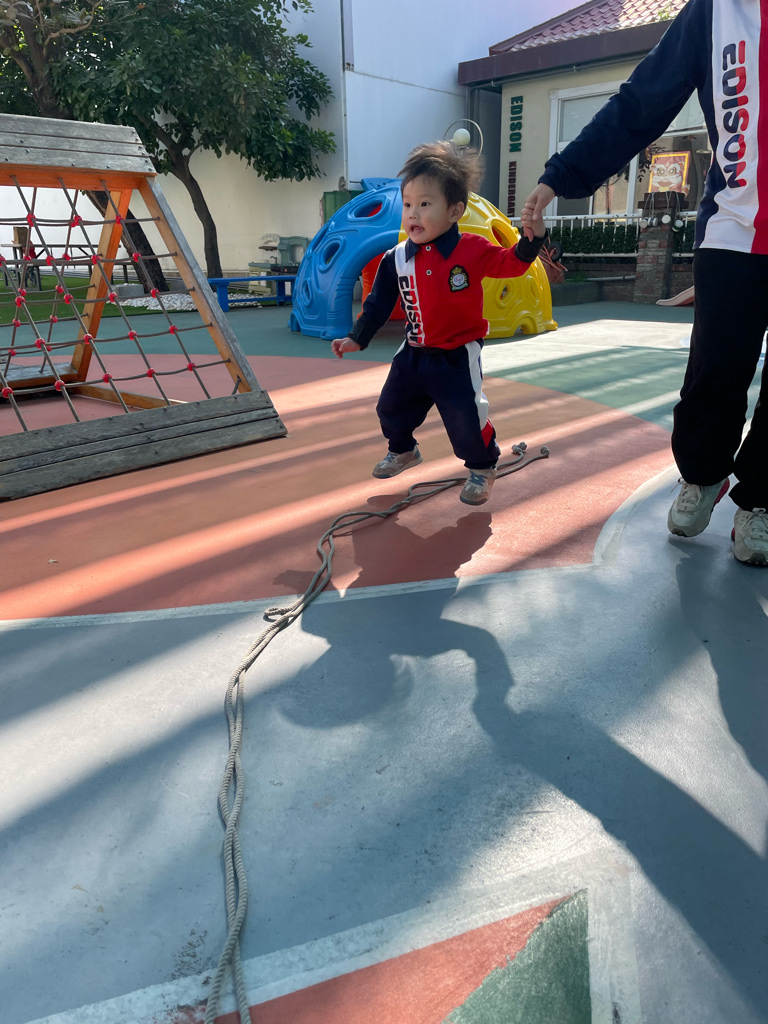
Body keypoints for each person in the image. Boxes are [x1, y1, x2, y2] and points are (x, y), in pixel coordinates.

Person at [521, 0, 768, 566]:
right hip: (733, 232)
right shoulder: (715, 11)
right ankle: (703, 475)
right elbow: (641, 100)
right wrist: (561, 176)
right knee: (714, 369)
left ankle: (762, 501)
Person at [332, 141, 548, 505]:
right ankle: (403, 450)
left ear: (454, 211)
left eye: (425, 204)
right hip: (414, 350)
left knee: (466, 417)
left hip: (456, 355)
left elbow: (512, 263)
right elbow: (377, 304)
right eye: (408, 204)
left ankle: (482, 467)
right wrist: (357, 337)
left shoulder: (472, 249)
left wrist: (533, 238)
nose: (413, 214)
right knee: (390, 408)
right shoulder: (396, 258)